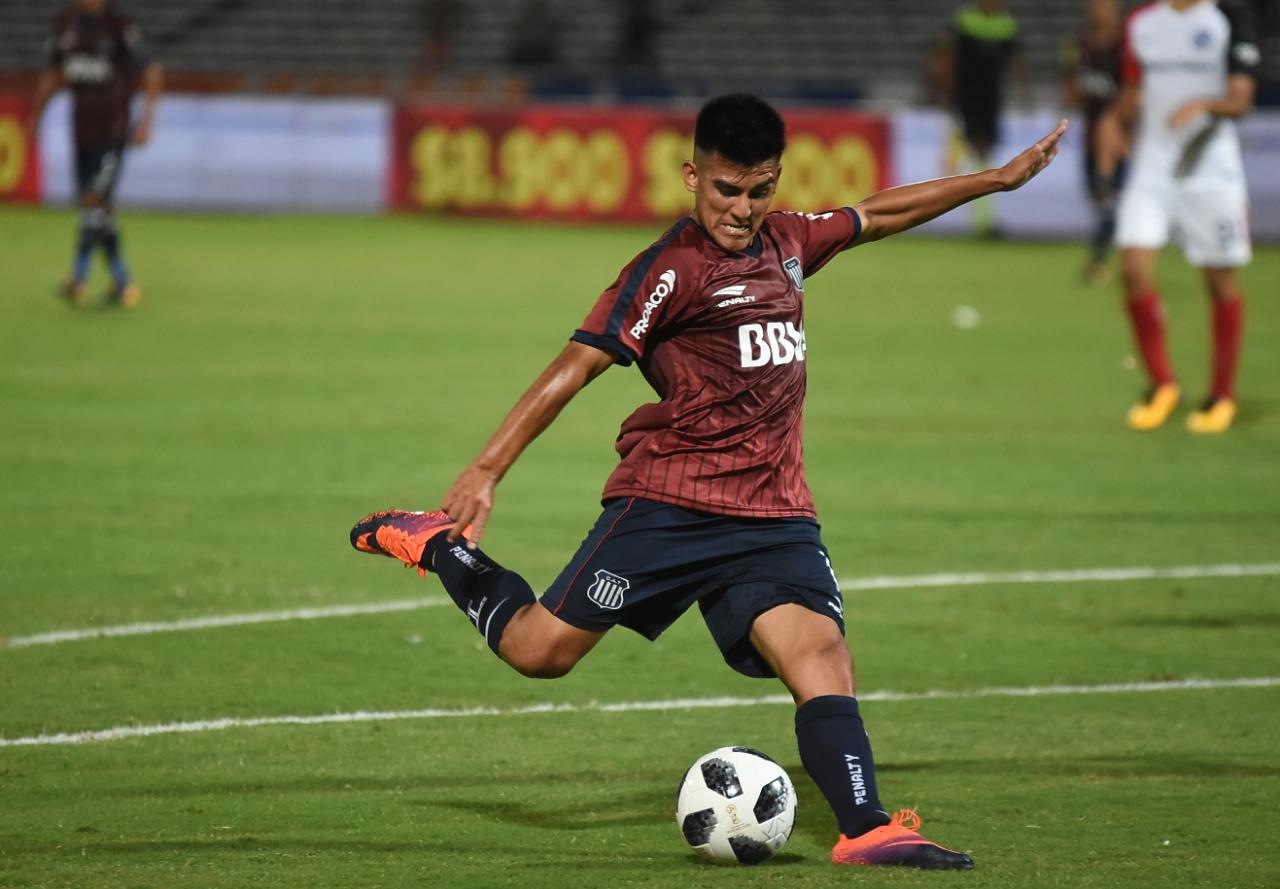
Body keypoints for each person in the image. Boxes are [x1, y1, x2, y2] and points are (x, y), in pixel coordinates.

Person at [350, 94, 1065, 870]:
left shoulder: (788, 243)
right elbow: (578, 362)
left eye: (759, 189)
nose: (743, 208)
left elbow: (876, 214)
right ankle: (439, 548)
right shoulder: (670, 269)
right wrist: (487, 469)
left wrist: (994, 180)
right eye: (727, 190)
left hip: (773, 511)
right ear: (693, 176)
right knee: (539, 651)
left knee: (821, 652)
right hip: (671, 503)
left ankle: (866, 826)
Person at [1097, 0, 1260, 433]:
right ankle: (1162, 384)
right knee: (1133, 269)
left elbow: (1241, 98)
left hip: (1210, 170)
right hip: (1153, 165)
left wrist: (1205, 105)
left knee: (1218, 279)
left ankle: (1221, 394)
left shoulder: (1228, 17)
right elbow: (1134, 91)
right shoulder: (1142, 22)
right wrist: (1113, 122)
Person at [28, 0, 162, 308]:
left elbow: (152, 69)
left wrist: (146, 119)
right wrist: (37, 115)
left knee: (94, 201)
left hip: (113, 131)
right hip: (81, 132)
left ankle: (78, 279)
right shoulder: (65, 26)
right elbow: (54, 73)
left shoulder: (120, 27)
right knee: (99, 211)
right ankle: (123, 282)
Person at [932, 0, 1032, 237]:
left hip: (992, 99)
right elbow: (948, 56)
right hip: (966, 96)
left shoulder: (1006, 24)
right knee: (977, 150)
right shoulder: (965, 20)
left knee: (982, 152)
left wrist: (1025, 91)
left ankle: (982, 218)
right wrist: (944, 90)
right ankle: (981, 219)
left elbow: (1016, 60)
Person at [1061, 0, 1126, 285]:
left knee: (1115, 199)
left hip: (1124, 138)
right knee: (1100, 198)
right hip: (1090, 138)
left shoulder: (1128, 44)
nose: (1100, 9)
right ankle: (1106, 257)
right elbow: (1071, 92)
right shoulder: (1078, 45)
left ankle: (1102, 260)